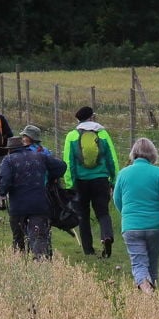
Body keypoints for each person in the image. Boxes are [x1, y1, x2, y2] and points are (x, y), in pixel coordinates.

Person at [113, 138, 159, 294]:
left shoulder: (123, 173)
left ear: (133, 154)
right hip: (155, 226)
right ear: (153, 154)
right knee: (152, 263)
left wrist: (126, 214)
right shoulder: (158, 173)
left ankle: (146, 289)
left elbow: (117, 199)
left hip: (131, 226)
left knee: (139, 263)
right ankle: (152, 293)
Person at [0, 136, 67, 261]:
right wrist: (50, 178)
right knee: (39, 235)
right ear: (24, 147)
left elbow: (4, 183)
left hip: (18, 206)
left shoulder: (8, 160)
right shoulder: (40, 156)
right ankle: (41, 261)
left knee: (18, 237)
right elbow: (61, 166)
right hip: (39, 204)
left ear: (9, 150)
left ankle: (19, 261)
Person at [62, 106, 119, 257]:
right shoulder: (103, 134)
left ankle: (88, 250)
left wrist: (70, 185)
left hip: (80, 181)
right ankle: (106, 236)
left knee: (82, 214)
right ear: (92, 117)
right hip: (101, 179)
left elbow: (68, 162)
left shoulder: (72, 136)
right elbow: (111, 159)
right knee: (102, 212)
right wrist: (114, 179)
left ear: (78, 120)